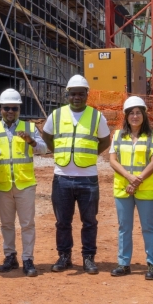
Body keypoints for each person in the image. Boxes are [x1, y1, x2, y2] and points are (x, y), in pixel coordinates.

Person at [40, 74, 111, 275]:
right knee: (63, 221)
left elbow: (105, 141)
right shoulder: (56, 115)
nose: (76, 97)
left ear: (87, 95)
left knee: (89, 221)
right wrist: (60, 152)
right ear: (67, 95)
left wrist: (89, 155)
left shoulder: (97, 116)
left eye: (81, 94)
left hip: (88, 178)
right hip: (62, 176)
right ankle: (64, 256)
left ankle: (88, 257)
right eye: (73, 94)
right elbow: (47, 137)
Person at [0, 88, 47, 278]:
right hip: (3, 183)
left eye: (14, 108)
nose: (10, 111)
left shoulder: (29, 128)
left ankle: (28, 258)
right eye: (6, 108)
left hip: (24, 184)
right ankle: (10, 256)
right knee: (6, 224)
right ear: (1, 109)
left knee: (27, 224)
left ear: (19, 109)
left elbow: (44, 149)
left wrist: (31, 141)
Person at [108, 95, 153, 280]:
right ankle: (123, 263)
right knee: (124, 227)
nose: (135, 116)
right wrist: (130, 178)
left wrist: (137, 180)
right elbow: (113, 160)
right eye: (131, 113)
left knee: (148, 227)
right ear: (126, 116)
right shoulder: (117, 135)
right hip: (123, 188)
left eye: (138, 112)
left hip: (145, 189)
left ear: (144, 115)